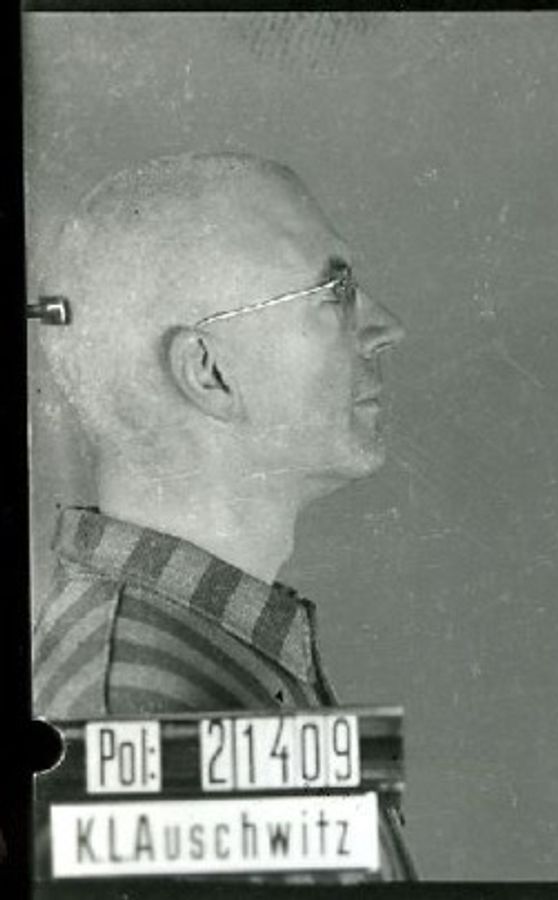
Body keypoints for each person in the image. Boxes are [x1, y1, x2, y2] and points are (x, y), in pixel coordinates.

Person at [30, 153, 417, 881]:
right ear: (209, 373)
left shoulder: (203, 655)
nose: (387, 327)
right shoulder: (144, 724)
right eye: (335, 291)